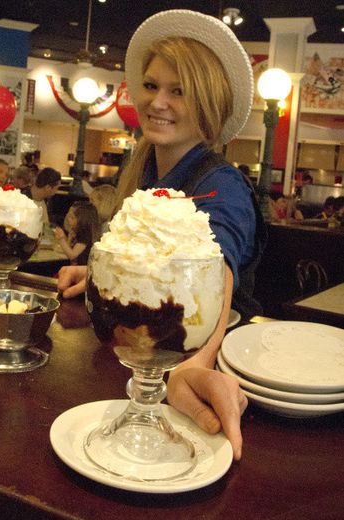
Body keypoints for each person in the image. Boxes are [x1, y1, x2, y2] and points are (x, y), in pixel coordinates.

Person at [57, 10, 265, 460]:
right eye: (151, 86)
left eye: (179, 91)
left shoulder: (222, 184)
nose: (157, 102)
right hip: (139, 357)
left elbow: (215, 266)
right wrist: (98, 276)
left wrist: (192, 366)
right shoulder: (146, 169)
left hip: (203, 365)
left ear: (209, 103)